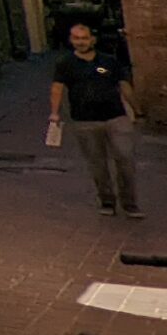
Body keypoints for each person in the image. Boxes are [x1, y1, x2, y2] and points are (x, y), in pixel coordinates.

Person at [51, 20, 140, 219]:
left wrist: (137, 109)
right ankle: (107, 201)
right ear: (71, 40)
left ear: (93, 39)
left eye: (84, 38)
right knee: (98, 164)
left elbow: (124, 85)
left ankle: (130, 203)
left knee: (125, 159)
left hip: (116, 117)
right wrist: (54, 113)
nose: (80, 42)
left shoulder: (109, 62)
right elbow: (57, 88)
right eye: (76, 38)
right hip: (85, 121)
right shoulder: (65, 64)